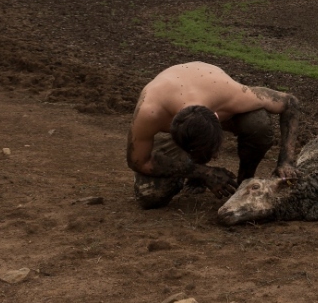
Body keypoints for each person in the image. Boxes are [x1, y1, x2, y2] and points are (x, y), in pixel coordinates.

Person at [126, 61, 300, 209]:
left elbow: (290, 102)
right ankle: (189, 176)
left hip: (209, 89)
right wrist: (203, 172)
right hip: (174, 108)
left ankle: (244, 180)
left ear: (218, 118)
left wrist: (286, 160)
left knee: (258, 123)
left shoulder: (232, 94)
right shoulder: (150, 111)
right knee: (151, 195)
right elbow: (137, 161)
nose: (216, 156)